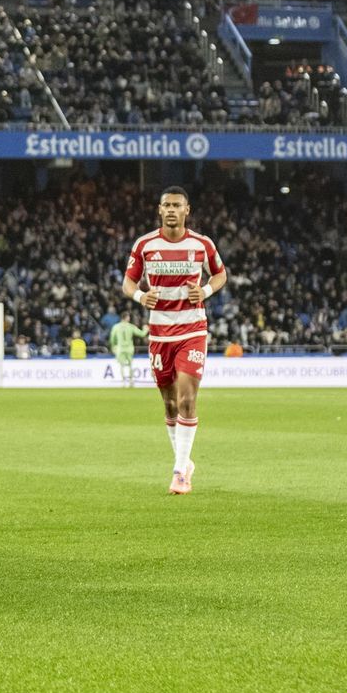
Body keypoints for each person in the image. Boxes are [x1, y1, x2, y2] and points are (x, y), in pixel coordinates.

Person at [122, 186, 228, 496]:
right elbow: (128, 282)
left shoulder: (202, 244)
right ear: (159, 210)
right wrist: (142, 296)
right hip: (159, 333)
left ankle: (180, 473)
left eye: (176, 205)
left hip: (192, 330)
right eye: (166, 205)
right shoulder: (144, 245)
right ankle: (184, 460)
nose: (171, 209)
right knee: (169, 404)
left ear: (187, 210)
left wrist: (206, 291)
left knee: (186, 399)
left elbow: (220, 274)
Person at [109, 319, 147, 387]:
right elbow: (142, 334)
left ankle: (123, 382)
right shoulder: (130, 326)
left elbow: (112, 338)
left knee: (121, 365)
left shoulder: (116, 326)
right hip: (129, 348)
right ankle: (131, 381)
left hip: (120, 348)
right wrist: (145, 329)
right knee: (130, 365)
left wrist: (113, 346)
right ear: (127, 318)